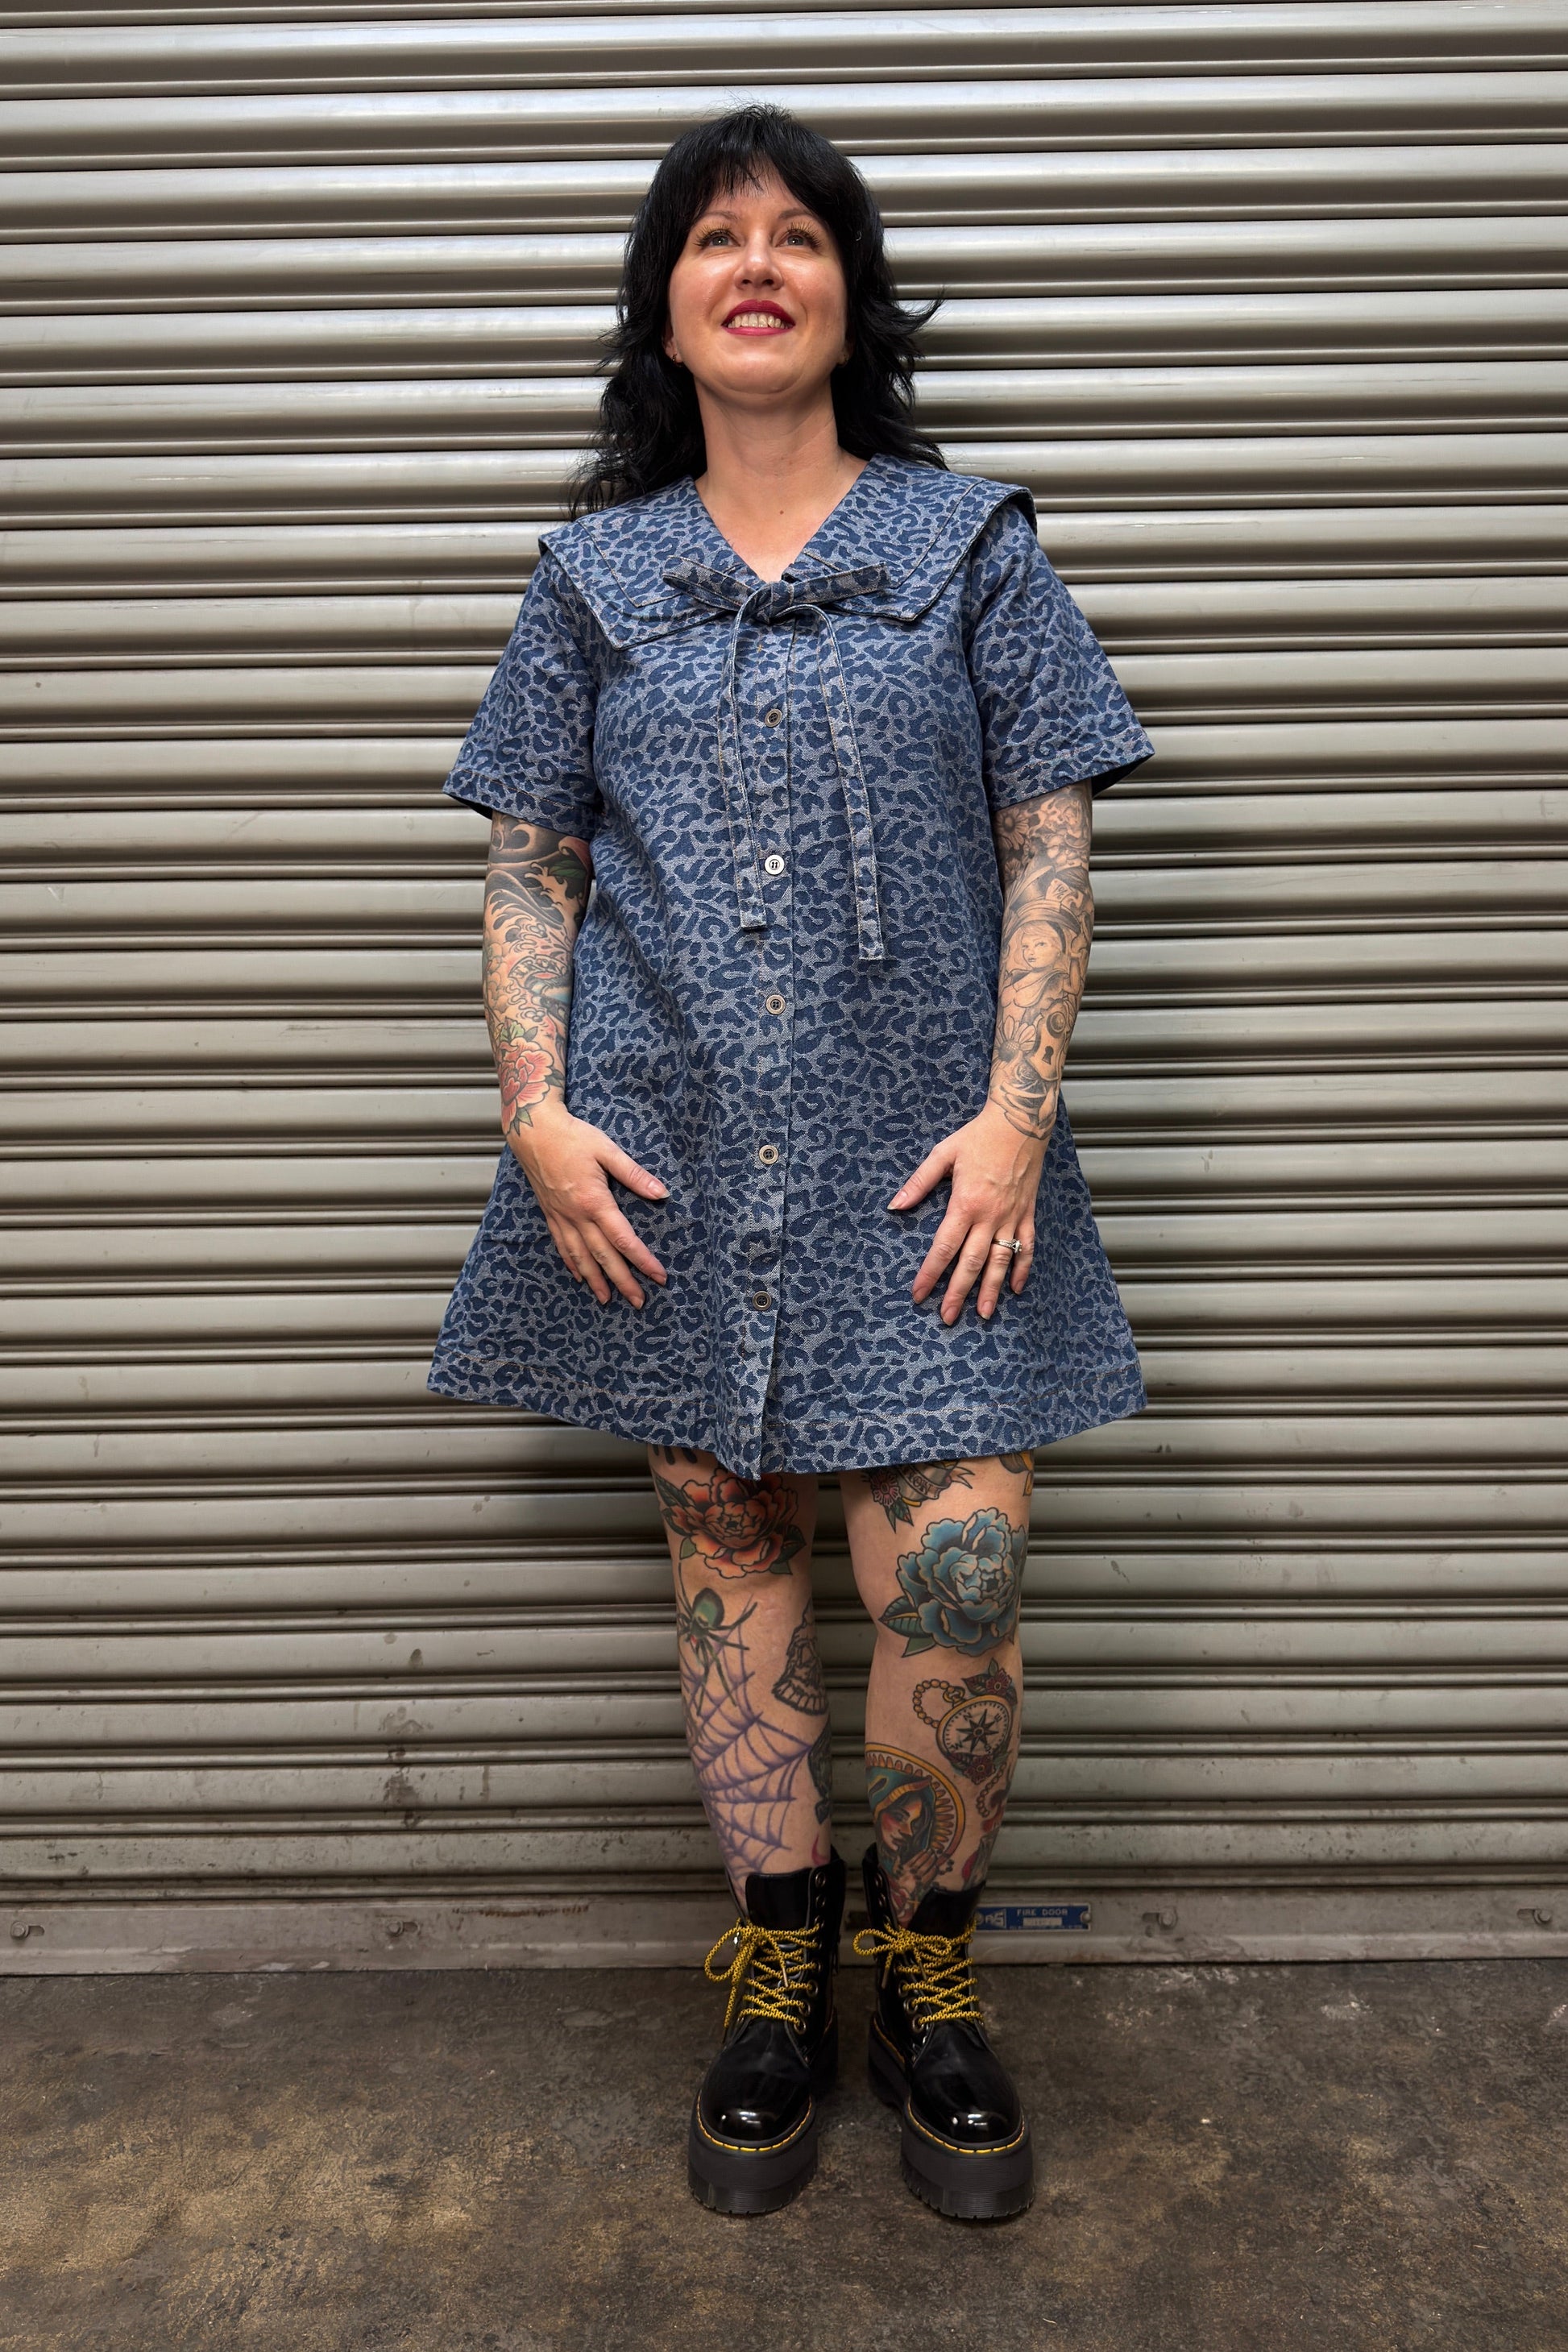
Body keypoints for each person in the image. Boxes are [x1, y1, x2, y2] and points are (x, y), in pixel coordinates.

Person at [429, 103, 1152, 2224]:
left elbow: (1051, 840)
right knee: (724, 1552)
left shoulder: (969, 549)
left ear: (849, 289)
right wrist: (537, 1113)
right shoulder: (590, 580)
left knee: (959, 1581)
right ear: (664, 305)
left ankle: (927, 1971)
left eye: (798, 235)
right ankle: (778, 1961)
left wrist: (1019, 1111)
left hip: (937, 1172)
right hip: (664, 1171)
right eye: (711, 237)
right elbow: (524, 862)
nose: (757, 263)